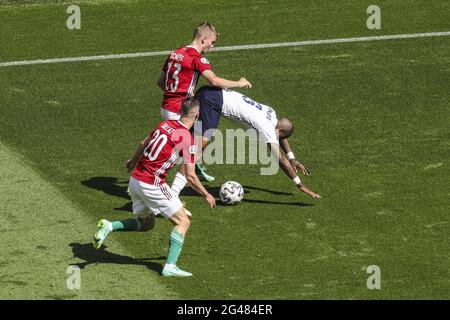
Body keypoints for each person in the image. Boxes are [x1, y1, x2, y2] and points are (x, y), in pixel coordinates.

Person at [93, 98, 216, 277]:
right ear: (197, 115)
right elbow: (190, 174)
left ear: (180, 111)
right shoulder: (186, 138)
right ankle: (170, 266)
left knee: (146, 224)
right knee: (183, 222)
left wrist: (132, 161)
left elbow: (144, 143)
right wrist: (206, 194)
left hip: (135, 180)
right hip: (152, 183)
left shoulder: (165, 124)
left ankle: (109, 226)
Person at [173, 86, 322, 199]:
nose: (277, 139)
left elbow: (282, 137)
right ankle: (173, 192)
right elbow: (280, 159)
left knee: (189, 138)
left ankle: (165, 154)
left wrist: (292, 157)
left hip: (210, 92)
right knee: (199, 146)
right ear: (280, 129)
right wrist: (300, 184)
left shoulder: (271, 114)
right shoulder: (267, 128)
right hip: (213, 102)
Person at [157, 21, 252, 183]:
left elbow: (160, 81)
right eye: (212, 42)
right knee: (175, 152)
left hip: (168, 106)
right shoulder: (197, 59)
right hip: (179, 112)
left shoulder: (176, 53)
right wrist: (239, 83)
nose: (212, 46)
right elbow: (214, 81)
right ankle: (151, 178)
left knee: (204, 135)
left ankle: (196, 166)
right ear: (203, 39)